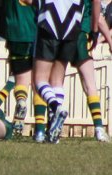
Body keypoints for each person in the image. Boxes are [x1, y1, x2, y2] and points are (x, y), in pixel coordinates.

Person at [21, 0, 101, 143]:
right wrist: (94, 31)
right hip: (72, 27)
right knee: (57, 81)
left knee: (39, 80)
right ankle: (54, 133)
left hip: (49, 24)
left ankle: (56, 107)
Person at [39, 0, 111, 143]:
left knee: (55, 81)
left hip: (63, 33)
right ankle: (99, 129)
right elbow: (97, 15)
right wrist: (100, 35)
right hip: (81, 34)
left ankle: (52, 128)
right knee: (89, 83)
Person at [3, 0, 48, 140]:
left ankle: (21, 101)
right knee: (39, 83)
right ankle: (40, 129)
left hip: (15, 34)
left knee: (21, 80)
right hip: (36, 33)